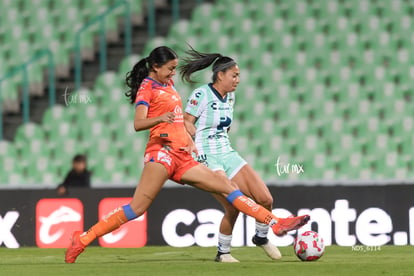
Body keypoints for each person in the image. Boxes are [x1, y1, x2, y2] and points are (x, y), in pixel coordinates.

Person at [64, 46, 310, 263]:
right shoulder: (146, 89)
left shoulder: (167, 84)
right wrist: (161, 118)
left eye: (174, 69)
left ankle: (275, 223)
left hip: (182, 155)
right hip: (161, 153)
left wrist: (188, 139)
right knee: (136, 208)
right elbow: (138, 123)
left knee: (226, 186)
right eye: (170, 69)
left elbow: (178, 116)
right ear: (156, 67)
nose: (173, 74)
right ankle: (83, 238)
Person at [180, 48, 281, 262]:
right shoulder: (202, 94)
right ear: (220, 75)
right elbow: (187, 121)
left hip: (227, 152)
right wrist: (190, 137)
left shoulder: (231, 97)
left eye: (239, 76)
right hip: (207, 156)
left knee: (265, 199)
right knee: (232, 204)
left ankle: (261, 237)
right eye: (234, 75)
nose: (238, 80)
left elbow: (225, 128)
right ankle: (223, 252)